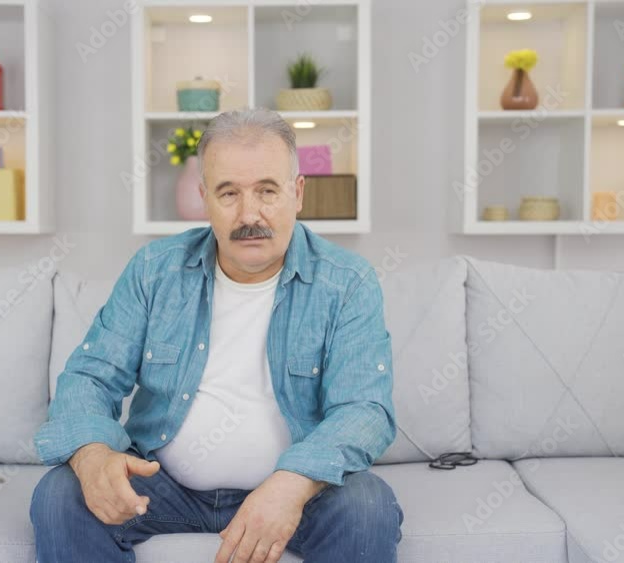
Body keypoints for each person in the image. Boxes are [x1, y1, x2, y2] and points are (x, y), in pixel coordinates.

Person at [30, 107, 403, 563]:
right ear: (205, 197)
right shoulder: (153, 271)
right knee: (60, 495)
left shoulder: (348, 283)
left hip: (296, 490)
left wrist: (291, 484)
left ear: (298, 192)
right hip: (163, 487)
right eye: (229, 193)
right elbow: (89, 378)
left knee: (368, 507)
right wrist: (91, 456)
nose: (249, 214)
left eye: (267, 191)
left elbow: (364, 410)